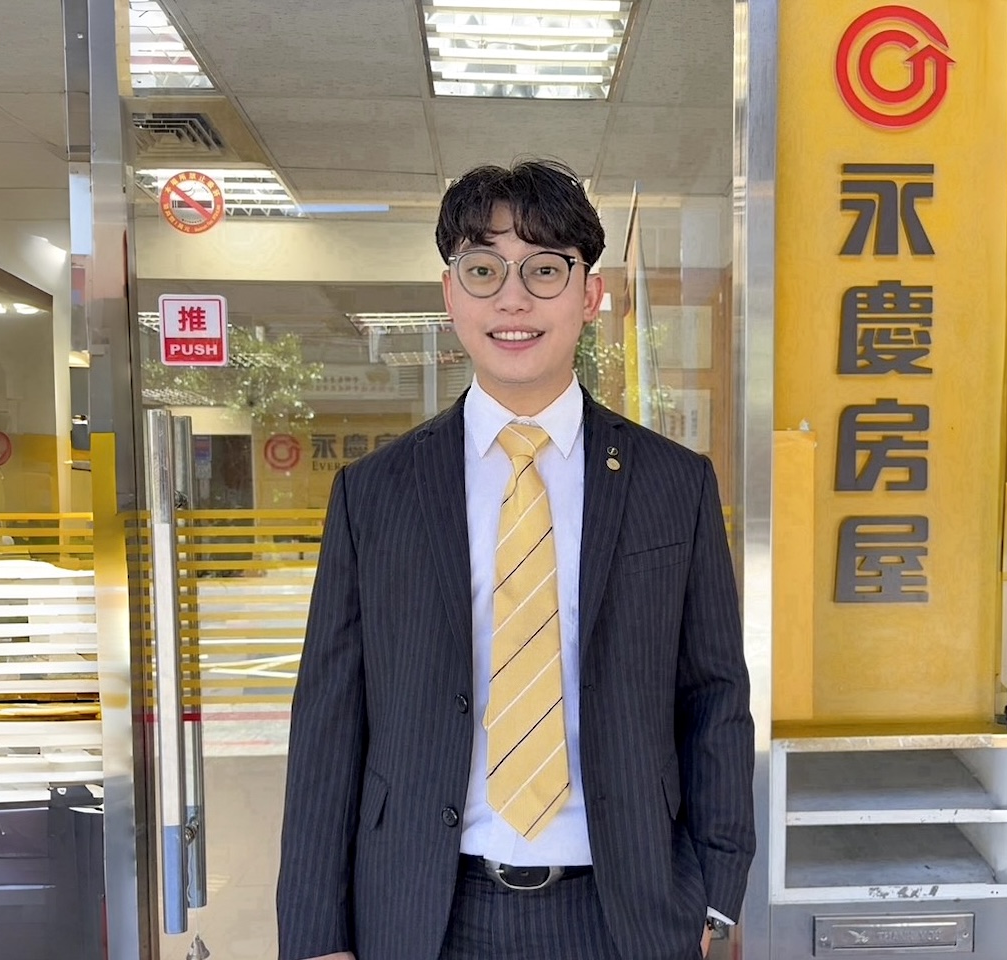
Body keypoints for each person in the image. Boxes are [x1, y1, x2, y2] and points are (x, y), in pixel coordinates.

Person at [277, 159, 754, 960]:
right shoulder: (375, 492)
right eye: (483, 270)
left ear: (589, 295)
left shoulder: (674, 483)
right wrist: (317, 933)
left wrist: (717, 900)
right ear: (450, 293)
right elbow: (328, 721)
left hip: (626, 911)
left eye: (545, 270)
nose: (513, 299)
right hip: (424, 911)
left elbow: (715, 697)